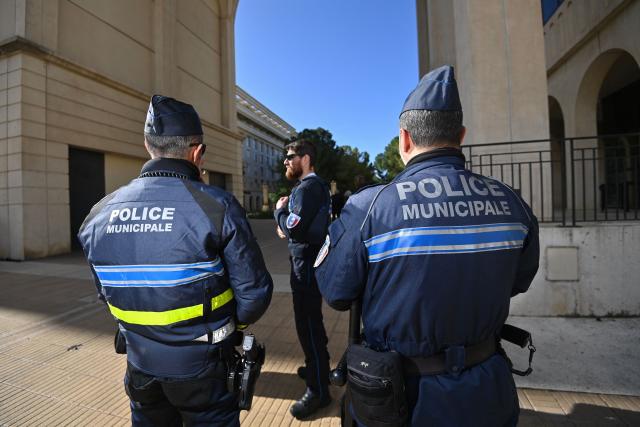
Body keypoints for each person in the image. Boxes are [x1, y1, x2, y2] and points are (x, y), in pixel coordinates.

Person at [315, 65, 540, 426]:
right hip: (487, 391)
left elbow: (336, 292)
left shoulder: (369, 206)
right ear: (461, 135)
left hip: (400, 398)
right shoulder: (511, 203)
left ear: (404, 139)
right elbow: (519, 281)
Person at [78, 95, 273, 426]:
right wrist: (233, 327)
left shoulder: (98, 214)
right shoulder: (216, 206)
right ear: (197, 152)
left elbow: (105, 293)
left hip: (140, 366)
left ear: (147, 145)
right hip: (204, 369)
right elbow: (254, 294)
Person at [274, 139, 332, 419]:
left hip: (306, 268)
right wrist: (287, 222)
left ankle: (319, 390)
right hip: (309, 265)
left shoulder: (308, 188)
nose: (286, 161)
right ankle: (316, 369)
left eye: (290, 156)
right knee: (312, 324)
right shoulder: (313, 187)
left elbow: (294, 229)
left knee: (308, 327)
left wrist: (279, 211)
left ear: (305, 158)